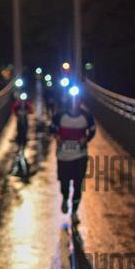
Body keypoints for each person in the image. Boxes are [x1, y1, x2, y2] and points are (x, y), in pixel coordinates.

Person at [50, 88, 96, 223]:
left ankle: (74, 212)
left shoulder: (87, 116)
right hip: (63, 156)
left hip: (80, 156)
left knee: (77, 185)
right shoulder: (60, 115)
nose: (75, 102)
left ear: (80, 100)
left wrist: (86, 139)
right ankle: (65, 198)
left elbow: (92, 131)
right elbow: (52, 128)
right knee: (64, 184)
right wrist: (57, 136)